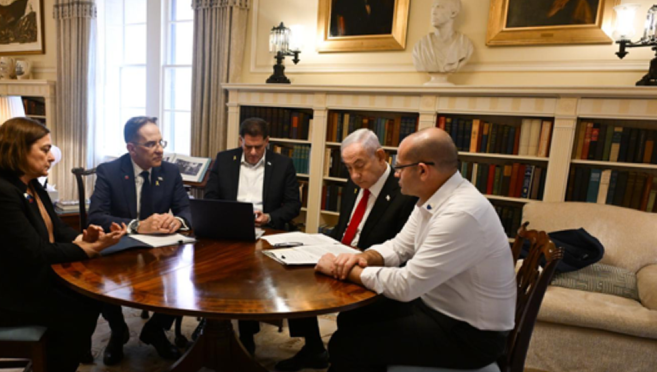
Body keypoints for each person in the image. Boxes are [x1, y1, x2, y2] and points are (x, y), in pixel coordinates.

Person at [315, 127, 517, 371]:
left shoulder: (460, 214)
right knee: (355, 317)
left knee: (346, 344)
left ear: (422, 170)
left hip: (470, 335)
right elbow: (399, 246)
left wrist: (345, 271)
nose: (396, 174)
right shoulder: (433, 198)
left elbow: (406, 286)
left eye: (400, 167)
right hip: (439, 310)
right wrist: (362, 257)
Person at [0, 117, 125, 372]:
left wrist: (85, 237)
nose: (52, 157)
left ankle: (58, 359)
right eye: (45, 150)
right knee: (78, 308)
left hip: (20, 279)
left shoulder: (30, 183)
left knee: (90, 293)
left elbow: (58, 228)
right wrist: (87, 249)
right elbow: (34, 252)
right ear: (18, 150)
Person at [275, 128, 417, 371]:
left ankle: (343, 358)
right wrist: (311, 243)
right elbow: (344, 229)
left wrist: (358, 257)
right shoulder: (354, 184)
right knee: (293, 278)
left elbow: (401, 251)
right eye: (348, 168)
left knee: (348, 332)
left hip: (370, 270)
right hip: (342, 254)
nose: (354, 175)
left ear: (380, 156)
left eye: (359, 166)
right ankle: (313, 347)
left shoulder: (404, 192)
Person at [88, 116, 191, 364]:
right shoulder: (110, 171)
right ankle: (117, 330)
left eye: (161, 142)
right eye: (151, 144)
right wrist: (136, 225)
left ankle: (156, 328)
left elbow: (187, 210)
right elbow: (96, 215)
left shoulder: (170, 171)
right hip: (120, 246)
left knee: (186, 275)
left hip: (159, 250)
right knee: (96, 275)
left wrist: (178, 221)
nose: (160, 149)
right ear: (131, 148)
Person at [203, 117, 302, 354]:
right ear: (241, 140)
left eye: (259, 147)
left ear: (268, 141)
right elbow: (210, 197)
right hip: (229, 231)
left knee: (250, 273)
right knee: (208, 270)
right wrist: (228, 216)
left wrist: (268, 217)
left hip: (267, 233)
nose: (254, 152)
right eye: (248, 147)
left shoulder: (283, 164)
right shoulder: (224, 159)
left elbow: (293, 205)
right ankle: (211, 323)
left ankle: (246, 333)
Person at [412, 0, 474, 74]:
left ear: (453, 13)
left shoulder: (465, 45)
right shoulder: (421, 46)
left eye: (439, 7)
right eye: (433, 7)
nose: (433, 12)